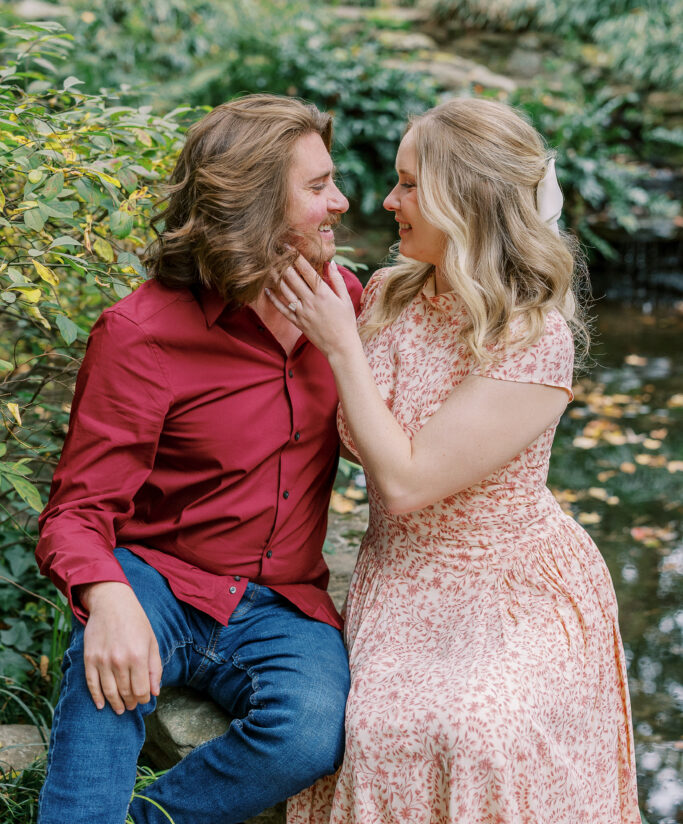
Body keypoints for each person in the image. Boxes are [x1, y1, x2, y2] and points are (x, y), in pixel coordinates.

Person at [268, 97, 641, 824]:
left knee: (480, 728)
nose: (386, 201)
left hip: (511, 587)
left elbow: (404, 483)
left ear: (462, 199)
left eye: (408, 185)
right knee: (377, 732)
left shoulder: (532, 336)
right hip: (402, 581)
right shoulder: (385, 294)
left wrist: (341, 347)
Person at [35, 94, 363, 824]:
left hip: (283, 603)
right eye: (316, 188)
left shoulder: (343, 306)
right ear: (250, 206)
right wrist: (110, 599)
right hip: (162, 578)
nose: (339, 202)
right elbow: (78, 514)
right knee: (106, 673)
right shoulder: (141, 335)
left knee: (311, 733)